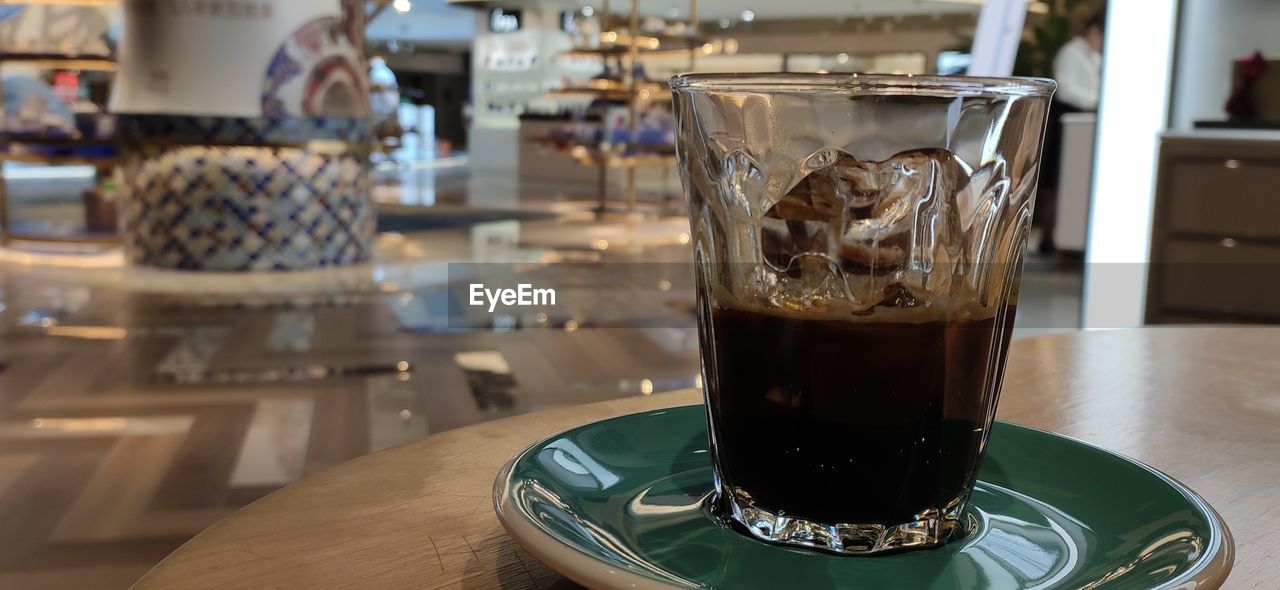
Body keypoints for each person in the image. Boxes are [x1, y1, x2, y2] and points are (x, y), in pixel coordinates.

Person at [1037, 8, 1104, 254]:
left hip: (1085, 125)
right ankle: (1049, 236)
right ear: (1093, 31)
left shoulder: (1095, 57)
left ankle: (1067, 234)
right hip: (1067, 125)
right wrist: (1096, 101)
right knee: (1057, 181)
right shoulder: (1071, 53)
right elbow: (1065, 89)